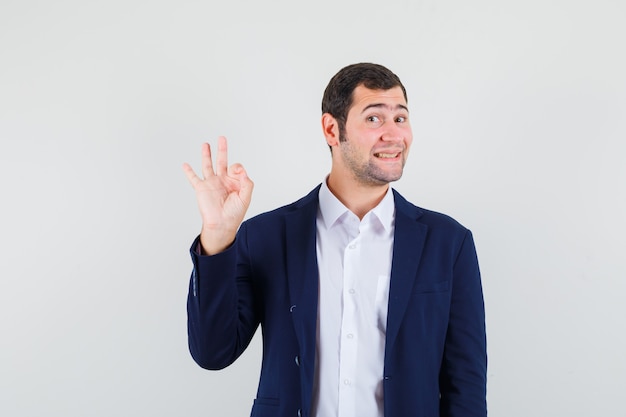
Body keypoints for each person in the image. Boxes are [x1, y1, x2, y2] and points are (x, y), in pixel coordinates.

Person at [182, 63, 487, 417]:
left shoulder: (448, 243)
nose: (393, 134)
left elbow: (465, 385)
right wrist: (217, 239)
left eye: (400, 119)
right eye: (374, 119)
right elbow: (212, 352)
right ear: (331, 129)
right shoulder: (265, 236)